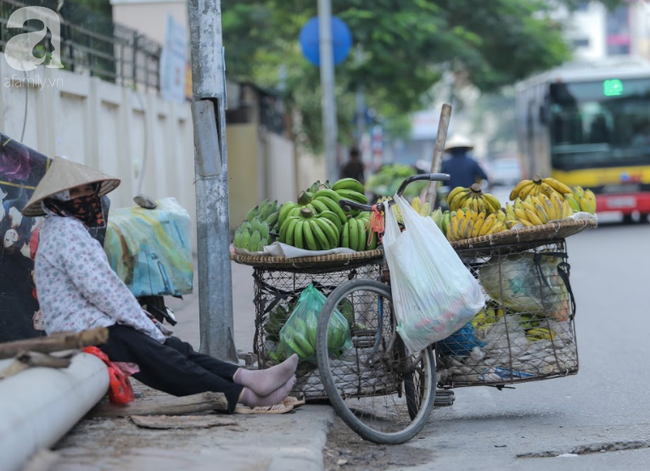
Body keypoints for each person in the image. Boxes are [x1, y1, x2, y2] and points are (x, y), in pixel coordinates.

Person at [21, 157, 298, 413]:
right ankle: (243, 396)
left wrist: (144, 322)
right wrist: (142, 323)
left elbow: (102, 291)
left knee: (174, 347)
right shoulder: (66, 232)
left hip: (94, 323)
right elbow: (103, 290)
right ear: (59, 200)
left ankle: (248, 378)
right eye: (78, 194)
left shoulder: (65, 228)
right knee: (162, 359)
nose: (89, 199)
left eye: (89, 191)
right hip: (82, 332)